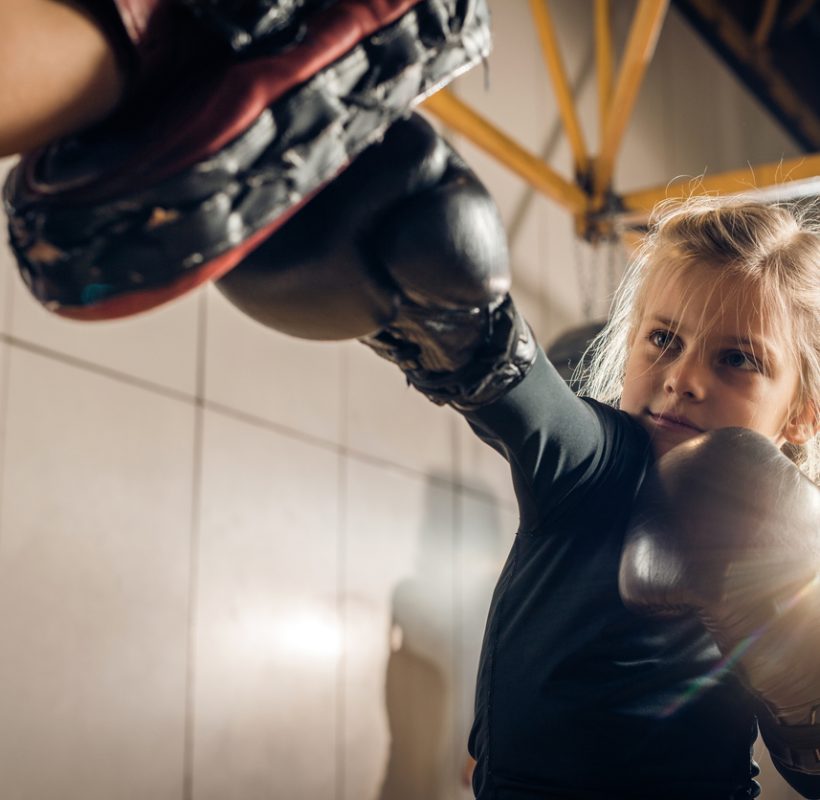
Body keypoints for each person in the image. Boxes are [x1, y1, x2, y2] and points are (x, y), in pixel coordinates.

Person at [2, 3, 819, 799]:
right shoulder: (601, 464)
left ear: (801, 414)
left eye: (738, 358)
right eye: (662, 340)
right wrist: (454, 313)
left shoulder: (792, 548)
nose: (683, 377)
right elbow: (532, 404)